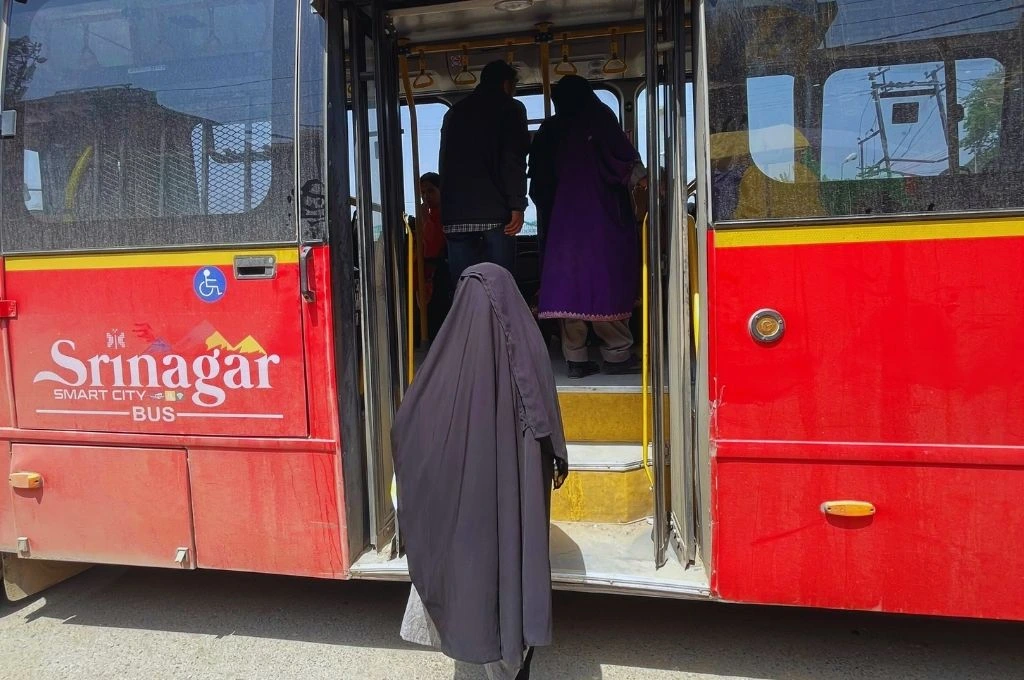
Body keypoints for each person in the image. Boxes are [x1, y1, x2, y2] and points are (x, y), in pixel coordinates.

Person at [394, 263, 568, 680]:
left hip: (466, 518)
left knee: (472, 572)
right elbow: (549, 432)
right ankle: (515, 655)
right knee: (515, 567)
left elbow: (408, 429)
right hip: (518, 502)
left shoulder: (445, 363)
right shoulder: (532, 350)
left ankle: (475, 642)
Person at [530, 75, 647, 379]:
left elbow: (537, 182)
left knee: (569, 285)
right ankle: (617, 353)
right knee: (603, 280)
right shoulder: (599, 119)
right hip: (601, 216)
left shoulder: (549, 129)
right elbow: (627, 164)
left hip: (560, 222)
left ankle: (576, 358)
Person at [439, 60, 530, 285]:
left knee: (465, 289)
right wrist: (517, 205)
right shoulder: (511, 108)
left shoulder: (454, 113)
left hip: (456, 215)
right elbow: (512, 160)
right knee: (500, 288)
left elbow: (445, 163)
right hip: (494, 214)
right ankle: (497, 322)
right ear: (507, 84)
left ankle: (467, 321)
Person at [417, 172, 450, 340]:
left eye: (430, 191)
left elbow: (432, 247)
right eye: (422, 193)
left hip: (439, 271)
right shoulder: (427, 216)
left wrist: (424, 221)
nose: (425, 196)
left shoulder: (444, 215)